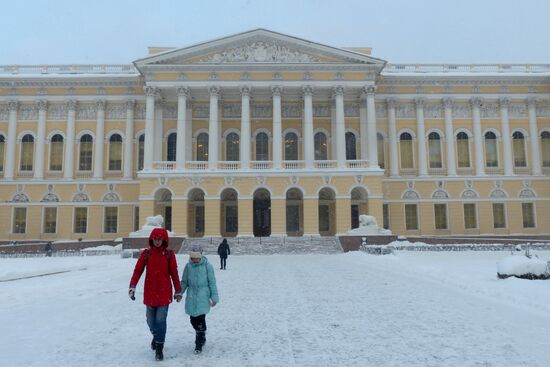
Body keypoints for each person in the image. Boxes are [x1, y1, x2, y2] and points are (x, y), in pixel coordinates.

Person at [129, 228, 182, 361]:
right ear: (152, 239)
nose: (157, 242)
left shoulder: (169, 254)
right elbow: (137, 271)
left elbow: (174, 273)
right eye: (155, 239)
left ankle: (159, 348)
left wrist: (178, 290)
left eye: (160, 239)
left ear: (164, 240)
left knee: (160, 321)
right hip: (150, 293)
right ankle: (156, 335)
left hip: (164, 293)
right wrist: (132, 286)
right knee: (150, 321)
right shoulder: (146, 254)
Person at [180, 245, 219, 354]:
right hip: (192, 297)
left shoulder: (207, 266)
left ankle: (198, 343)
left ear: (201, 256)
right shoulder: (188, 267)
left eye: (196, 258)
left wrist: (214, 297)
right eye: (193, 258)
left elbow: (212, 283)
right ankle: (202, 333)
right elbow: (184, 282)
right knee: (193, 320)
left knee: (200, 319)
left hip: (203, 297)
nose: (195, 260)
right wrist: (179, 293)